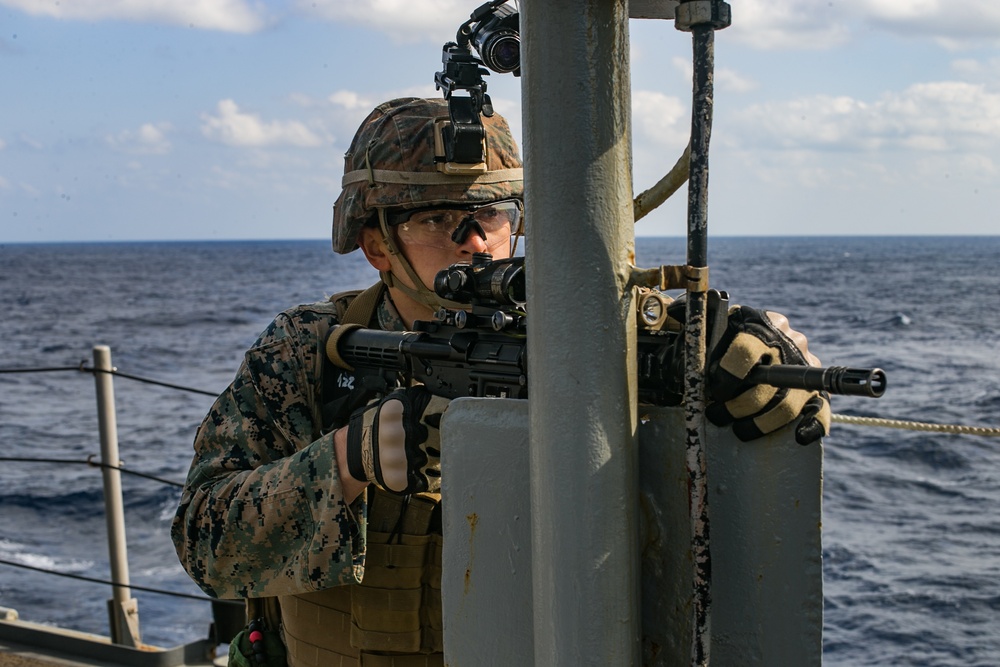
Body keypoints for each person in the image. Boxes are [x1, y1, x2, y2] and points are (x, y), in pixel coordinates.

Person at [171, 97, 830, 667]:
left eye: (493, 216)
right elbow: (206, 545)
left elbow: (720, 387)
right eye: (437, 218)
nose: (475, 242)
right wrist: (347, 461)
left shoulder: (581, 344)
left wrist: (762, 366)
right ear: (377, 245)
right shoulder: (311, 350)